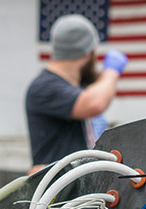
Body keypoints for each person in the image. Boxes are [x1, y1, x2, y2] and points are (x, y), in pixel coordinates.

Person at [25, 13, 128, 172]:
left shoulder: (77, 87)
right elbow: (94, 103)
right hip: (57, 190)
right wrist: (111, 71)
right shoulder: (43, 87)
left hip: (80, 186)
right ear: (88, 52)